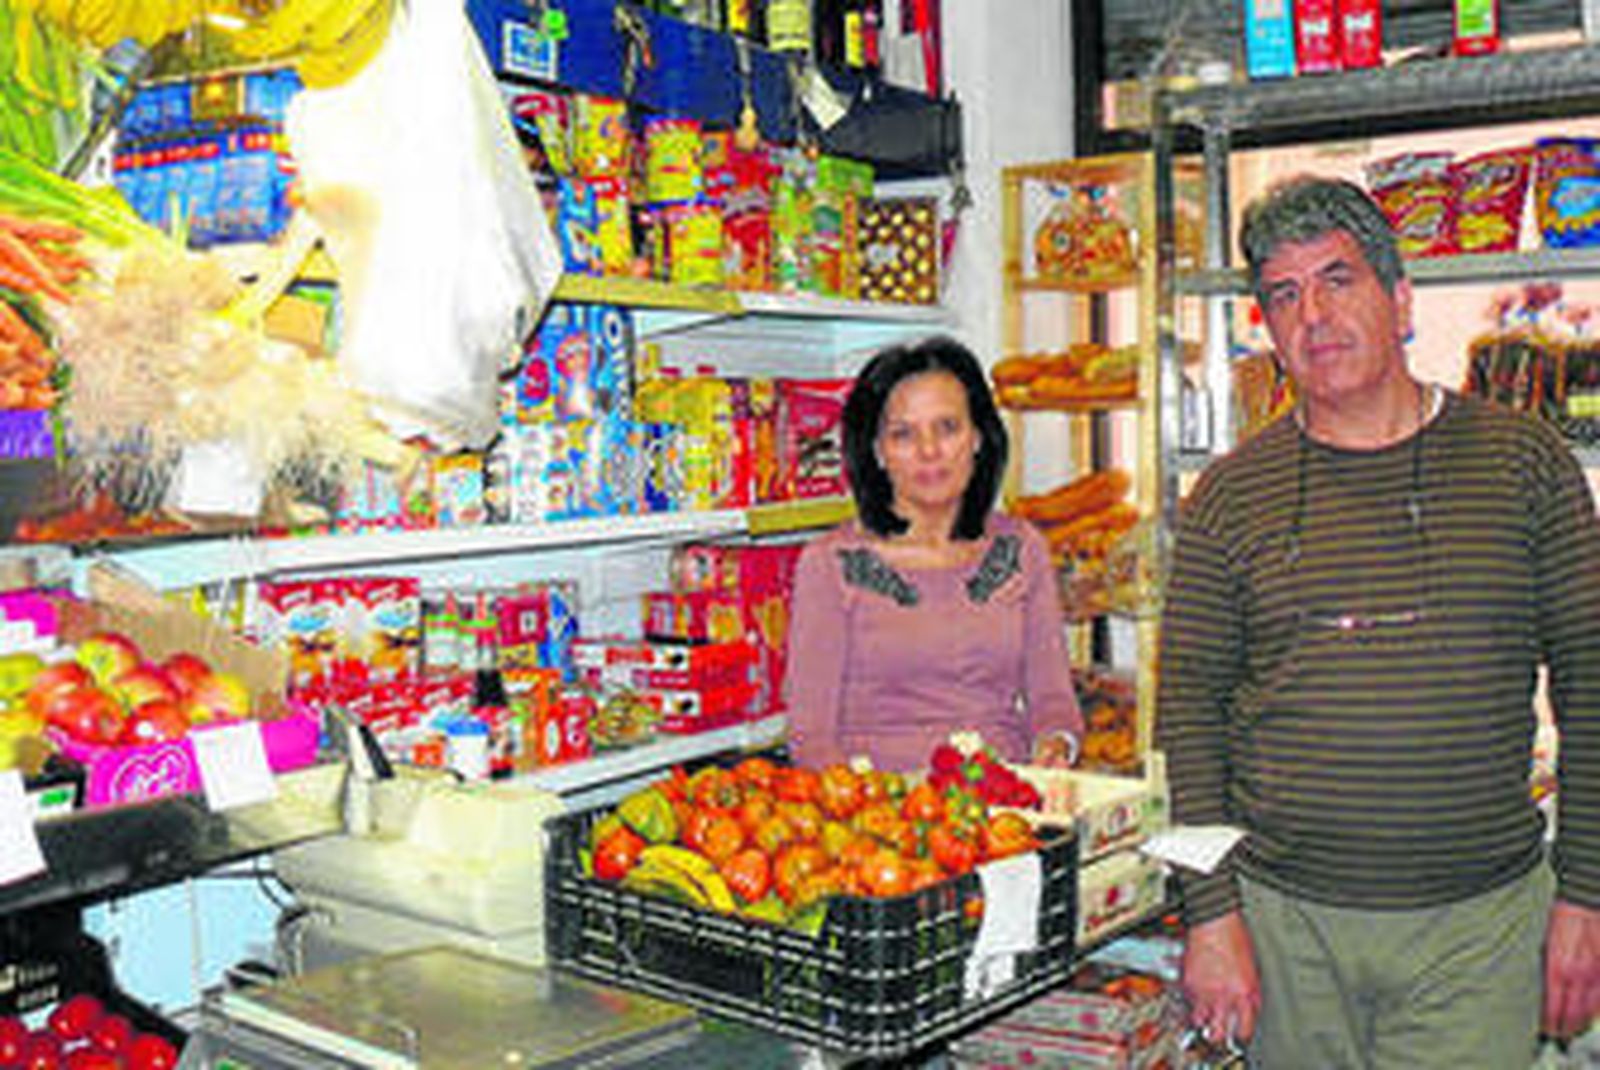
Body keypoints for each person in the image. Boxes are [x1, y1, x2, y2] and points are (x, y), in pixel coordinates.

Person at [1157, 174, 1600, 1068]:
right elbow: (1190, 719)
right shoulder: (1228, 500)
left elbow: (1593, 686)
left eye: (1338, 279)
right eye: (1284, 295)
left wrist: (1587, 894)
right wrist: (1210, 917)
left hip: (1479, 926)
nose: (1313, 314)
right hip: (1286, 930)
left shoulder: (1526, 465)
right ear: (1267, 327)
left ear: (1400, 300)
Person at [784, 335, 1084, 773]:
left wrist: (1056, 743)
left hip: (1006, 809)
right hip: (881, 819)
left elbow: (1053, 700)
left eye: (947, 428)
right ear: (877, 451)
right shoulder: (830, 564)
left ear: (978, 436)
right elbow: (810, 739)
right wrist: (874, 813)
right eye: (904, 434)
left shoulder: (1020, 549)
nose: (929, 451)